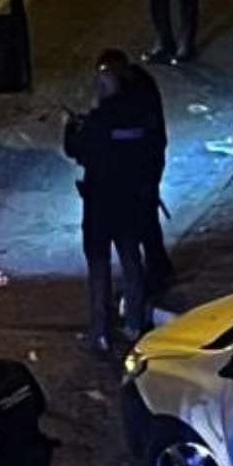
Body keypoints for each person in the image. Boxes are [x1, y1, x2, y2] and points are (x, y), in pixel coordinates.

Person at [64, 51, 154, 352]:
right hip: (129, 200)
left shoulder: (100, 120)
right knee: (131, 260)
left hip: (101, 203)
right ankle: (134, 323)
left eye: (104, 75)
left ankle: (100, 330)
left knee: (99, 267)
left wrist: (72, 126)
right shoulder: (139, 111)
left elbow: (77, 150)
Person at [102, 50, 175, 297]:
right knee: (142, 218)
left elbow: (137, 131)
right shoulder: (119, 90)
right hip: (131, 164)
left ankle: (157, 271)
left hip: (144, 163)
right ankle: (156, 266)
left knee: (144, 218)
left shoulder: (138, 90)